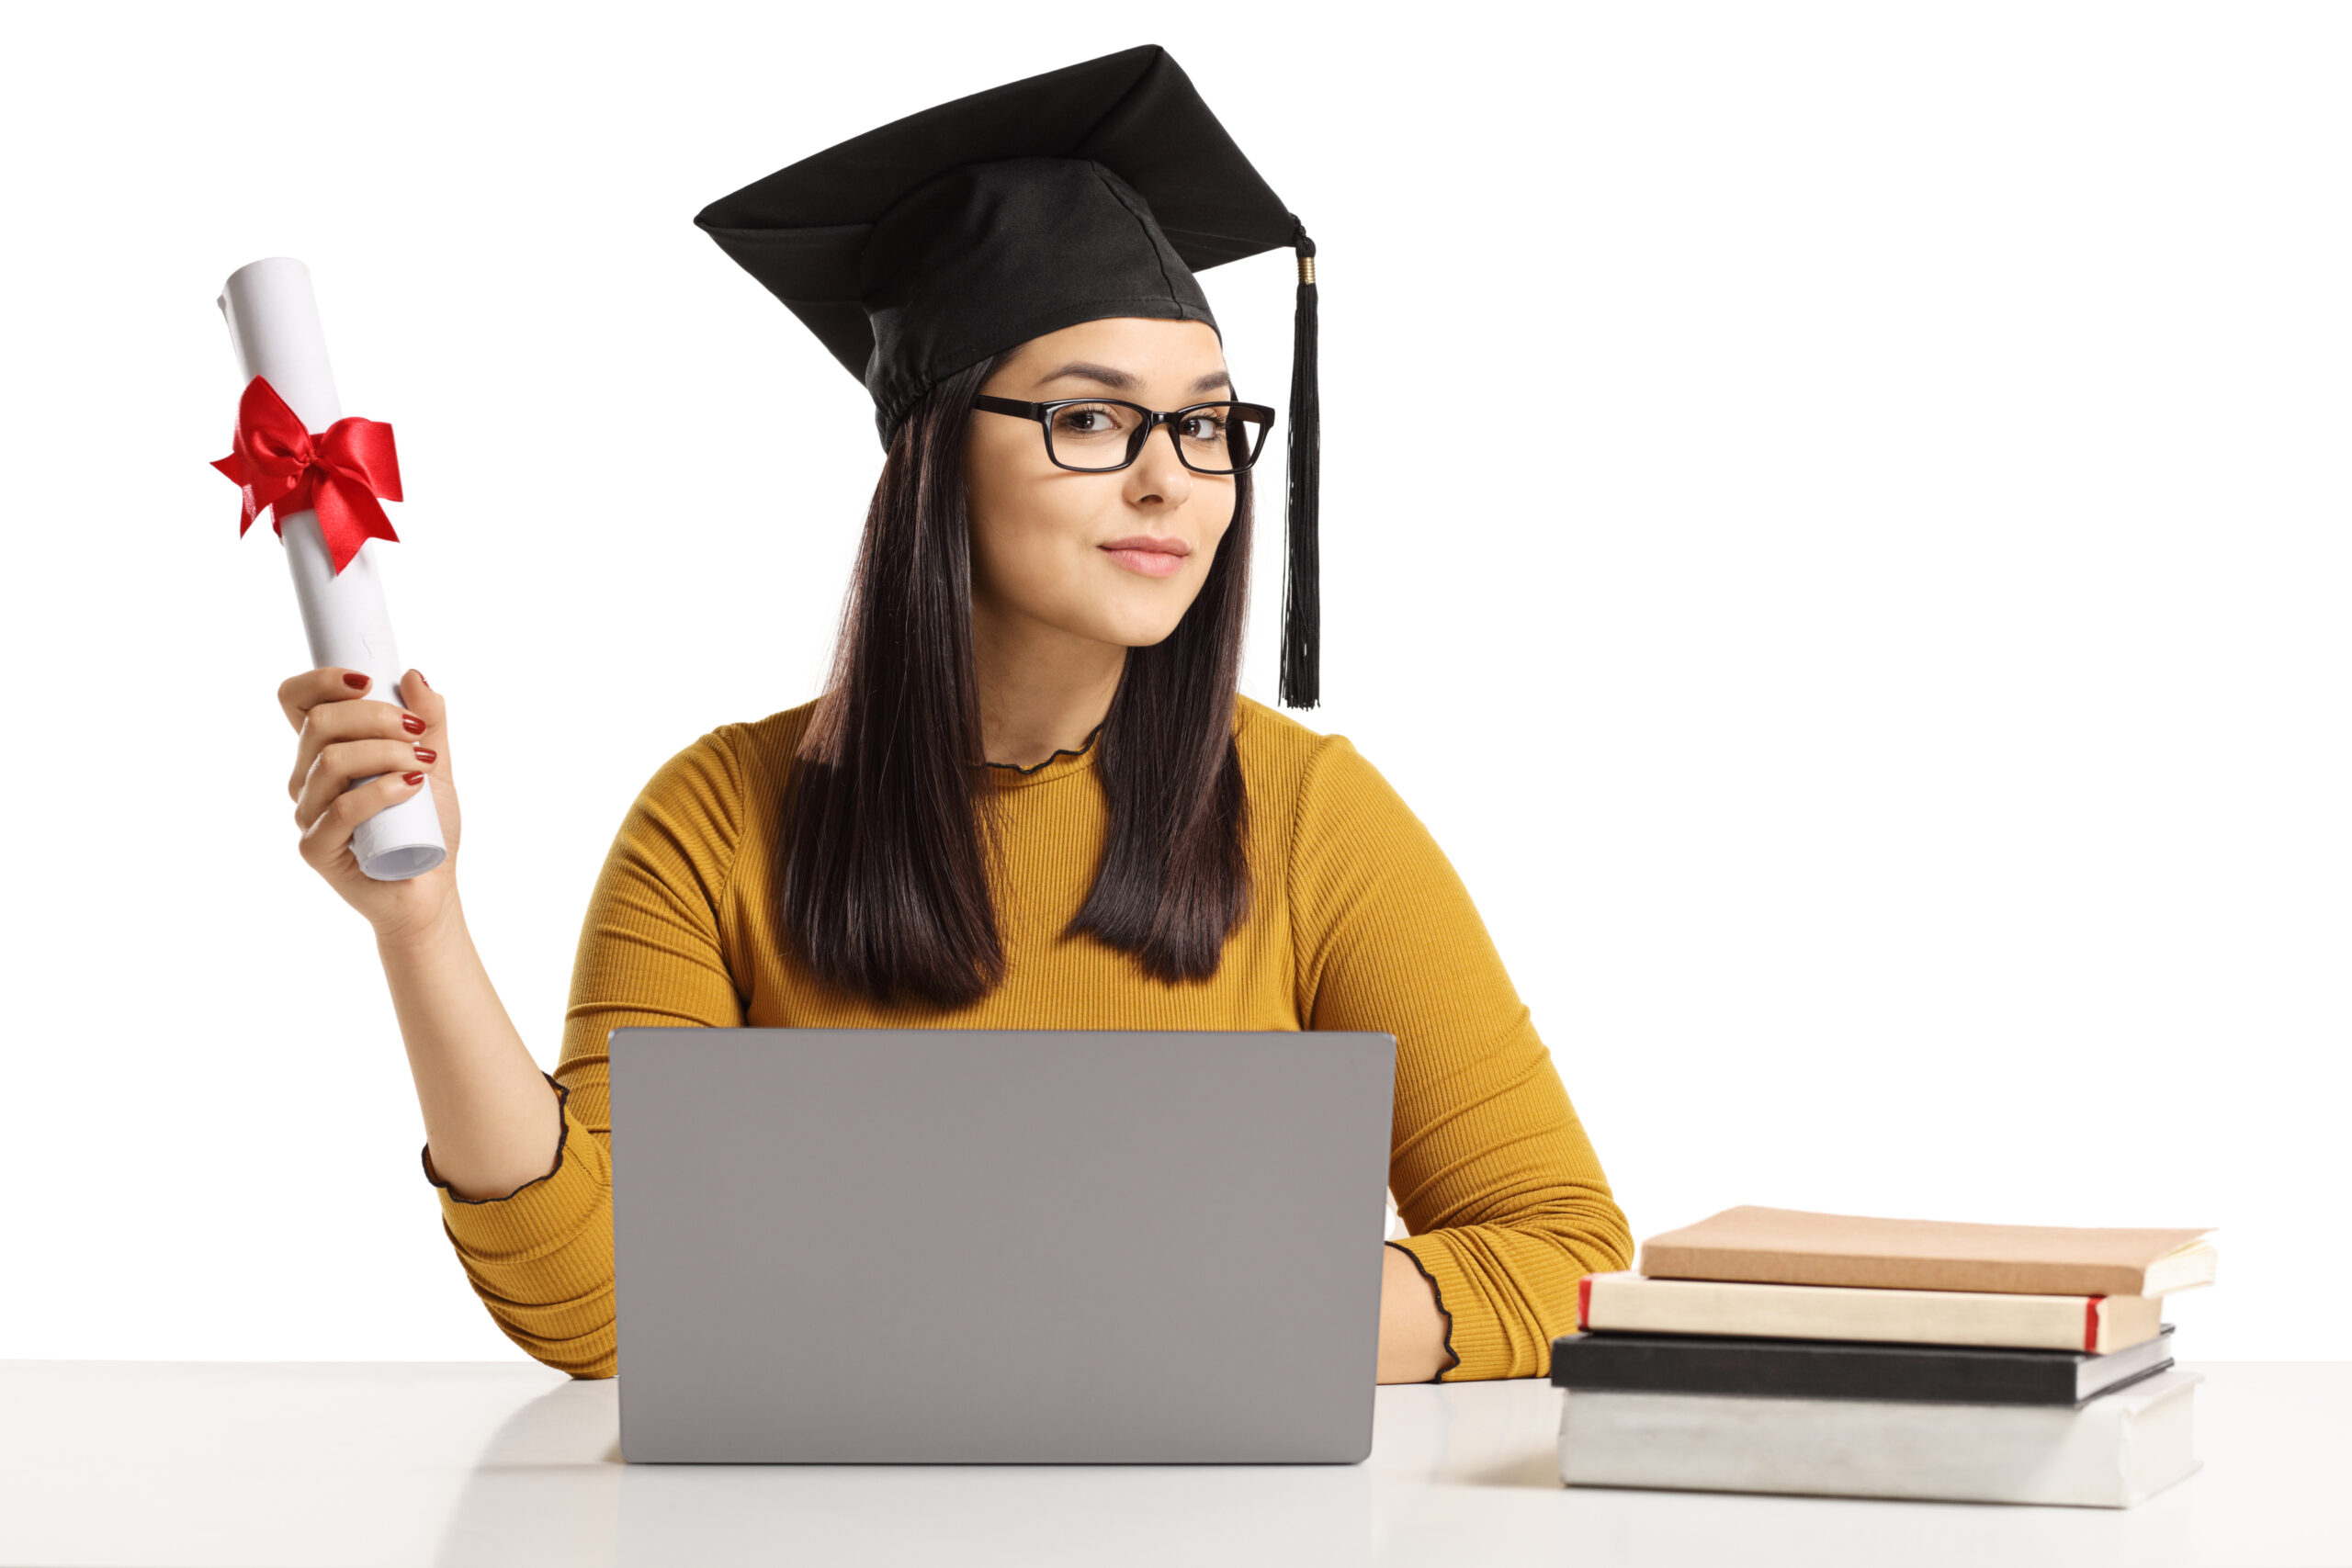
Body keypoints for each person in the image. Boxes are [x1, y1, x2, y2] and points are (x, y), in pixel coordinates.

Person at [271, 46, 1633, 1386]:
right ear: (933, 457)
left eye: (1207, 427)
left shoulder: (1307, 815)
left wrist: (1082, 1310)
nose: (1171, 480)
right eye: (1092, 420)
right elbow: (607, 1311)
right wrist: (423, 926)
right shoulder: (719, 821)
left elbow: (1561, 1256)